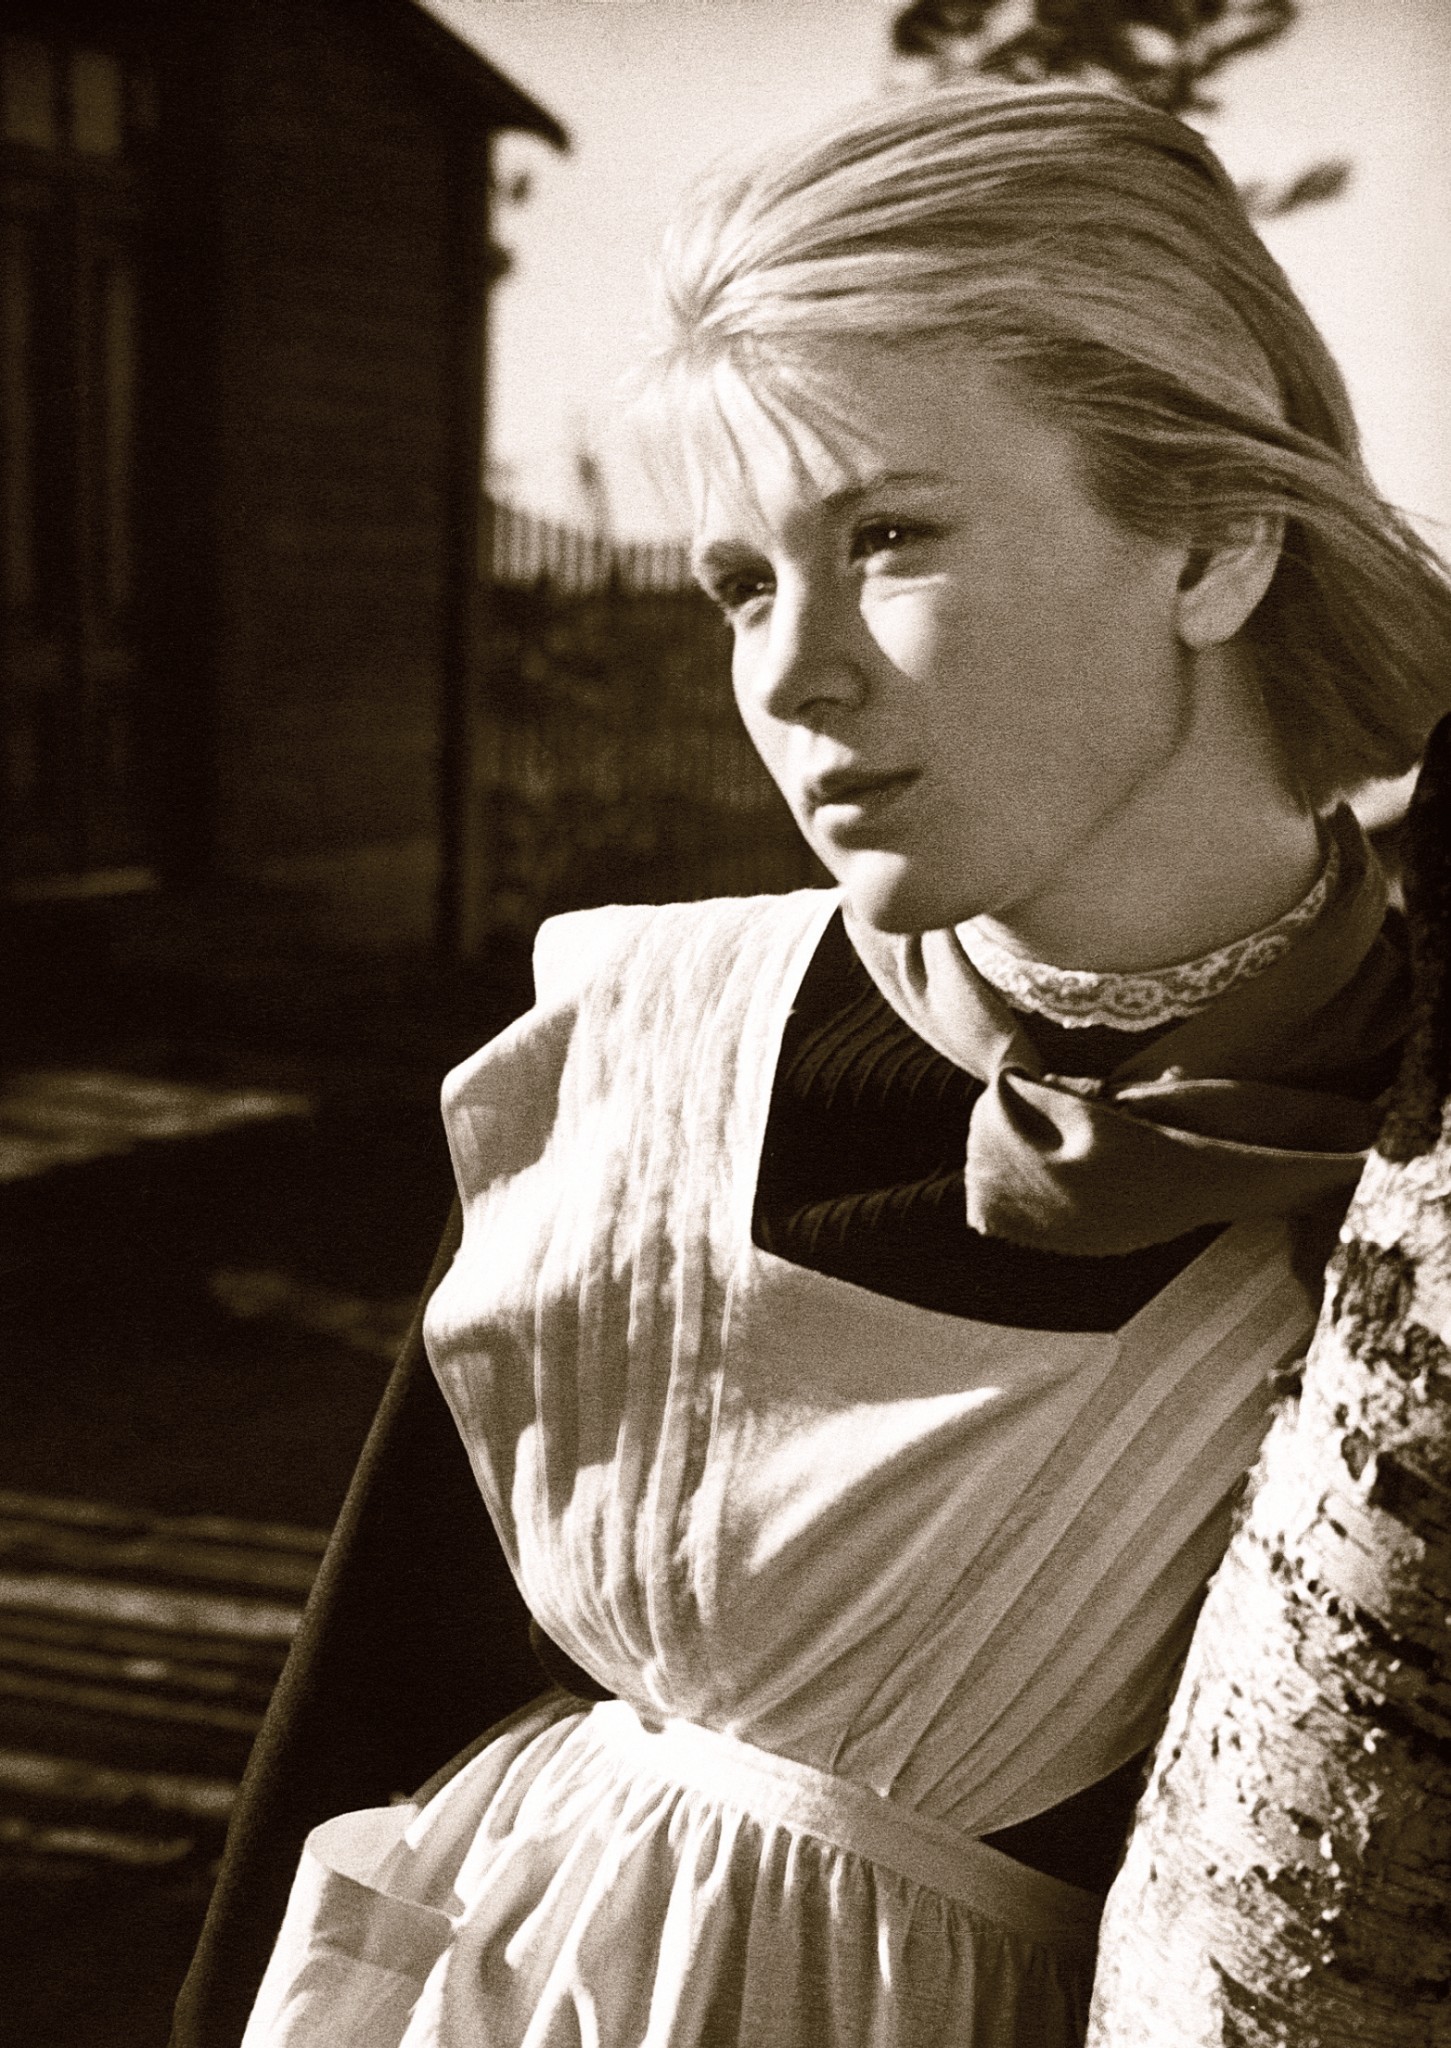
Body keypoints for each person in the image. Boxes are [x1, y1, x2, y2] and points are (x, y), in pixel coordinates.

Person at [175, 79, 1451, 2048]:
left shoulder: (1418, 1165)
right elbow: (365, 1709)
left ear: (1212, 541)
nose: (789, 673)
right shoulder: (646, 1043)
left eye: (890, 537)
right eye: (745, 585)